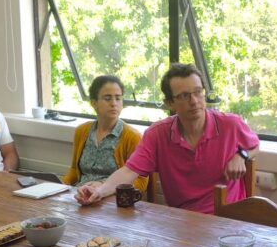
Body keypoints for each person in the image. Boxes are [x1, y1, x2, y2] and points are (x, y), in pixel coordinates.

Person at [75, 63, 259, 214]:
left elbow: (254, 145)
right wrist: (99, 191)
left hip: (229, 219)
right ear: (170, 103)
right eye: (184, 96)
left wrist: (241, 155)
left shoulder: (230, 124)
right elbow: (129, 171)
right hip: (182, 219)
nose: (194, 101)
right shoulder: (158, 134)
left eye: (198, 92)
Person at [61, 74, 146, 190]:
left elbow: (141, 181)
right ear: (94, 103)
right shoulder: (82, 131)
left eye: (118, 98)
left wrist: (104, 185)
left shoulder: (132, 136)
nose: (114, 103)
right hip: (80, 193)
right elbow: (74, 171)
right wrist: (61, 185)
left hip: (112, 197)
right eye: (107, 98)